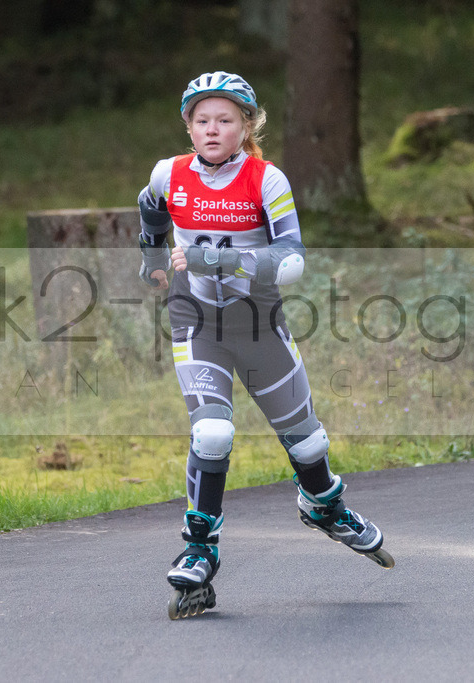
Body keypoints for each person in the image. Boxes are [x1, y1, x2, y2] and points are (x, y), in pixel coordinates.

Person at [137, 71, 391, 617]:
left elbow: (293, 260)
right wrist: (153, 259)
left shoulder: (265, 180)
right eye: (201, 120)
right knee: (212, 431)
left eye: (225, 120)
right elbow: (152, 206)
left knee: (307, 444)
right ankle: (199, 550)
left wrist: (216, 259)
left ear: (246, 125)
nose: (212, 129)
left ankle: (324, 505)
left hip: (258, 323)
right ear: (188, 124)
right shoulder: (169, 172)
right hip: (196, 320)